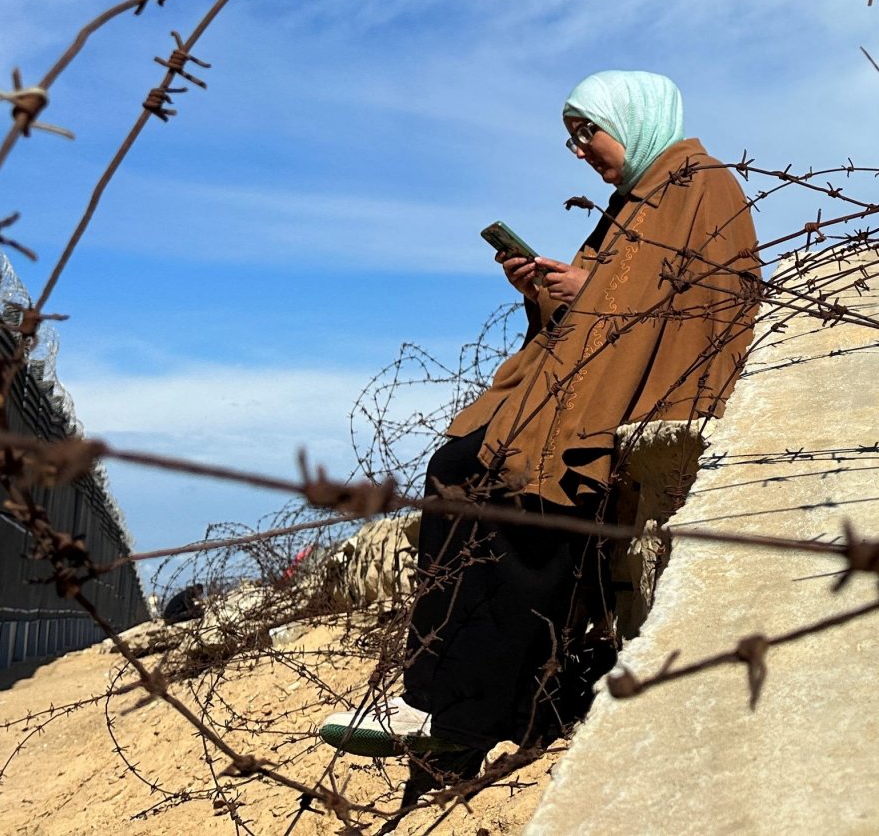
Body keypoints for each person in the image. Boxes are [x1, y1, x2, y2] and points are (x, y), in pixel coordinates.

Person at [321, 70, 759, 785]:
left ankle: (456, 715)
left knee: (516, 492)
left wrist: (590, 293)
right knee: (459, 463)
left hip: (639, 396)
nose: (581, 150)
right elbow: (600, 314)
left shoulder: (700, 186)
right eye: (572, 138)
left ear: (637, 118)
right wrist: (545, 292)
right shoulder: (634, 203)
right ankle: (437, 707)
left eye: (590, 132)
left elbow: (699, 306)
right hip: (589, 385)